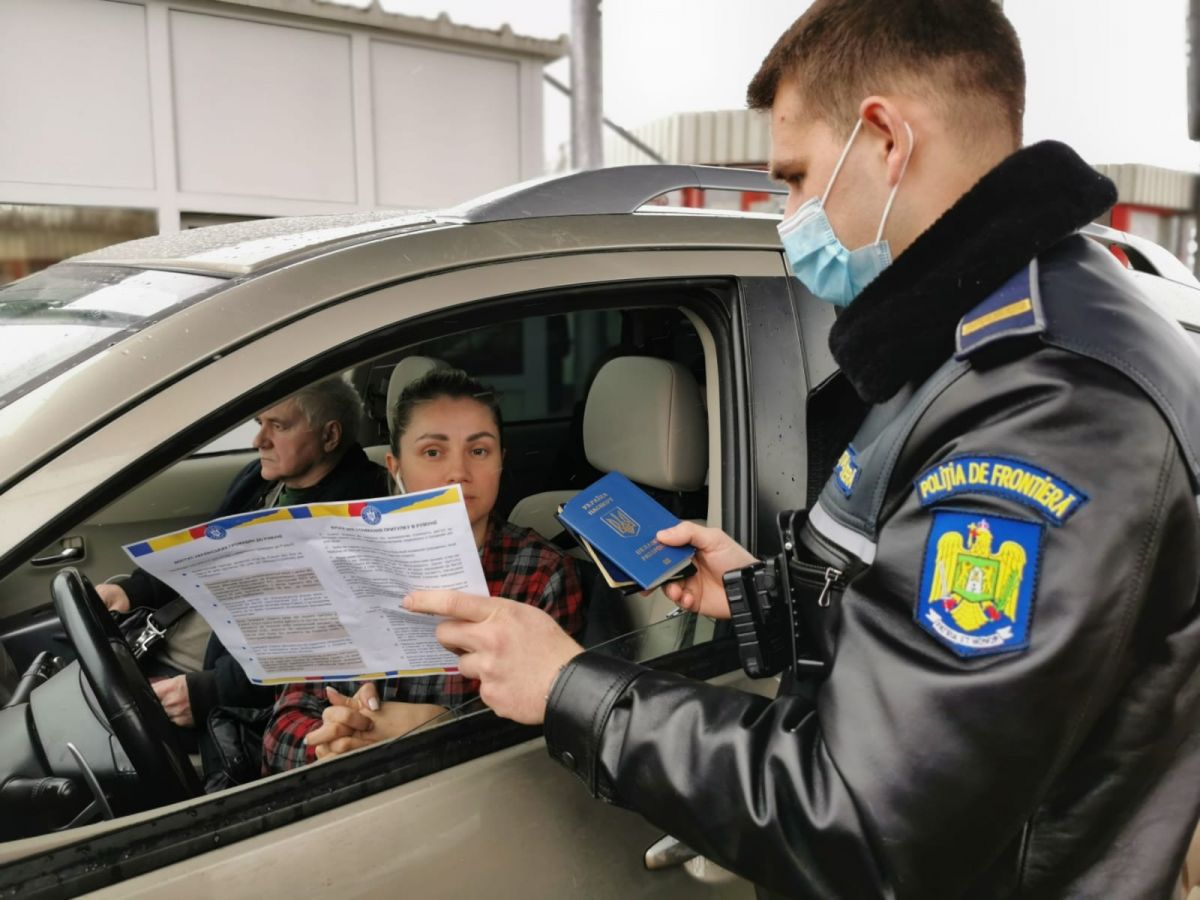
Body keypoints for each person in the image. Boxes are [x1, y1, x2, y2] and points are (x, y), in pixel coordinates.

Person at [401, 2, 1200, 897]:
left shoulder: (1051, 406)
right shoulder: (958, 345)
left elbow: (865, 818)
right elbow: (920, 622)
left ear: (886, 139)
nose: (788, 218)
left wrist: (569, 687)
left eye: (794, 178)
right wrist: (766, 596)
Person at [262, 368, 584, 772]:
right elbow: (283, 724)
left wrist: (443, 727)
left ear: (501, 461)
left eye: (479, 451)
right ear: (395, 467)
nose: (458, 472)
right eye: (433, 452)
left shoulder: (541, 574)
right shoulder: (342, 561)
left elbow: (550, 733)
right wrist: (333, 742)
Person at [97, 377, 388, 730]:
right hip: (159, 641)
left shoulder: (356, 516)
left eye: (278, 426)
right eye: (260, 423)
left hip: (203, 680)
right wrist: (132, 591)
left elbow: (316, 638)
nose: (258, 440)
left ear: (329, 436)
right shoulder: (261, 480)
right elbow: (203, 552)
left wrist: (210, 691)